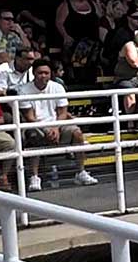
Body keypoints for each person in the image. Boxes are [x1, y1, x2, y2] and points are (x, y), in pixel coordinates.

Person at [18, 59, 98, 190]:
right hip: (36, 126)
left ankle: (81, 172)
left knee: (77, 133)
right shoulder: (24, 90)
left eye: (46, 73)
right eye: (40, 73)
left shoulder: (57, 87)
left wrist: (55, 127)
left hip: (57, 124)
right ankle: (34, 177)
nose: (43, 76)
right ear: (33, 73)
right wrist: (46, 130)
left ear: (50, 74)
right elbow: (29, 117)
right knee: (33, 136)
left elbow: (63, 112)